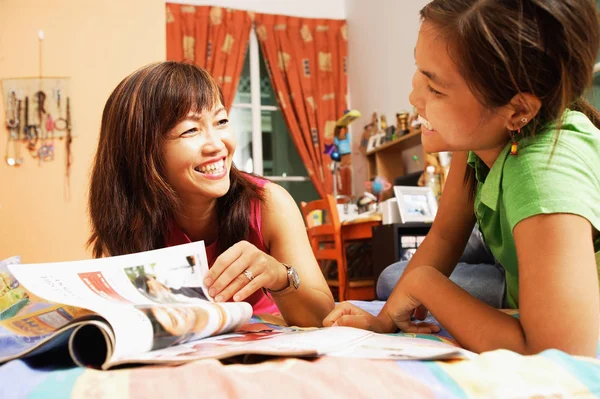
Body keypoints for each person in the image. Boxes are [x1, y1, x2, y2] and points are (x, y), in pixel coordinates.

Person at [325, 0, 600, 357]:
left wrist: (426, 284)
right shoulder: (481, 139)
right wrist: (384, 321)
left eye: (436, 90)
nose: (414, 97)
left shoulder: (541, 177)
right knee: (396, 280)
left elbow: (561, 355)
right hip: (521, 269)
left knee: (410, 280)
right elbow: (444, 234)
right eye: (420, 72)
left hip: (573, 311)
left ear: (517, 110)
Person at [88, 62, 334, 327]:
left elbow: (322, 319)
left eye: (221, 121)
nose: (218, 145)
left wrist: (279, 275)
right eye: (191, 130)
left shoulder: (269, 204)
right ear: (141, 152)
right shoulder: (131, 216)